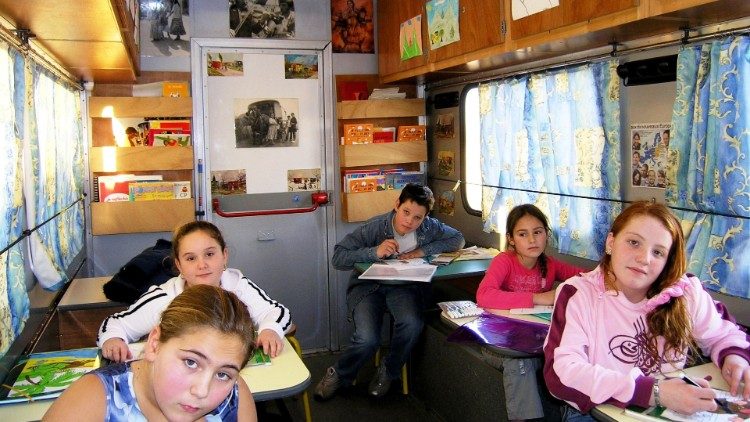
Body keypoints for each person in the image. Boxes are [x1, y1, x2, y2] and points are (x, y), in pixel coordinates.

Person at [543, 201, 750, 420]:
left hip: (668, 411)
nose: (644, 259)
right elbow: (562, 373)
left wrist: (734, 357)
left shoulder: (685, 291)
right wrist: (653, 392)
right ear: (611, 242)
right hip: (598, 411)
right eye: (633, 242)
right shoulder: (578, 293)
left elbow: (724, 333)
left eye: (658, 252)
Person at [314, 184, 464, 400]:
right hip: (369, 287)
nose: (409, 222)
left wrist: (422, 251)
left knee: (412, 324)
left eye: (417, 218)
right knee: (368, 340)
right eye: (405, 212)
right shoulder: (374, 227)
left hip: (403, 288)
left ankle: (389, 371)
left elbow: (457, 239)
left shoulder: (429, 227)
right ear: (396, 205)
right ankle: (339, 373)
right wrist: (374, 251)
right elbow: (338, 258)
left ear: (426, 217)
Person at [44, 284, 258, 421]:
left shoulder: (235, 397)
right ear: (154, 343)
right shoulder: (93, 402)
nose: (202, 391)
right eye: (191, 362)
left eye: (223, 374)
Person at [98, 221, 293, 363]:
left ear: (224, 256)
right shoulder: (165, 297)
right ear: (178, 265)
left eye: (209, 254)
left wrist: (270, 329)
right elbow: (114, 324)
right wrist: (113, 339)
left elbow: (277, 311)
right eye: (191, 258)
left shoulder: (237, 285)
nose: (202, 265)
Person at [475, 204, 585, 421]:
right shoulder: (504, 261)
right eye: (523, 234)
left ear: (547, 235)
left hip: (534, 344)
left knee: (563, 357)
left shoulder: (549, 265)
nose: (532, 240)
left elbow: (585, 277)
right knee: (521, 363)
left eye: (538, 232)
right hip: (500, 344)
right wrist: (537, 298)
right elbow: (484, 295)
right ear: (511, 239)